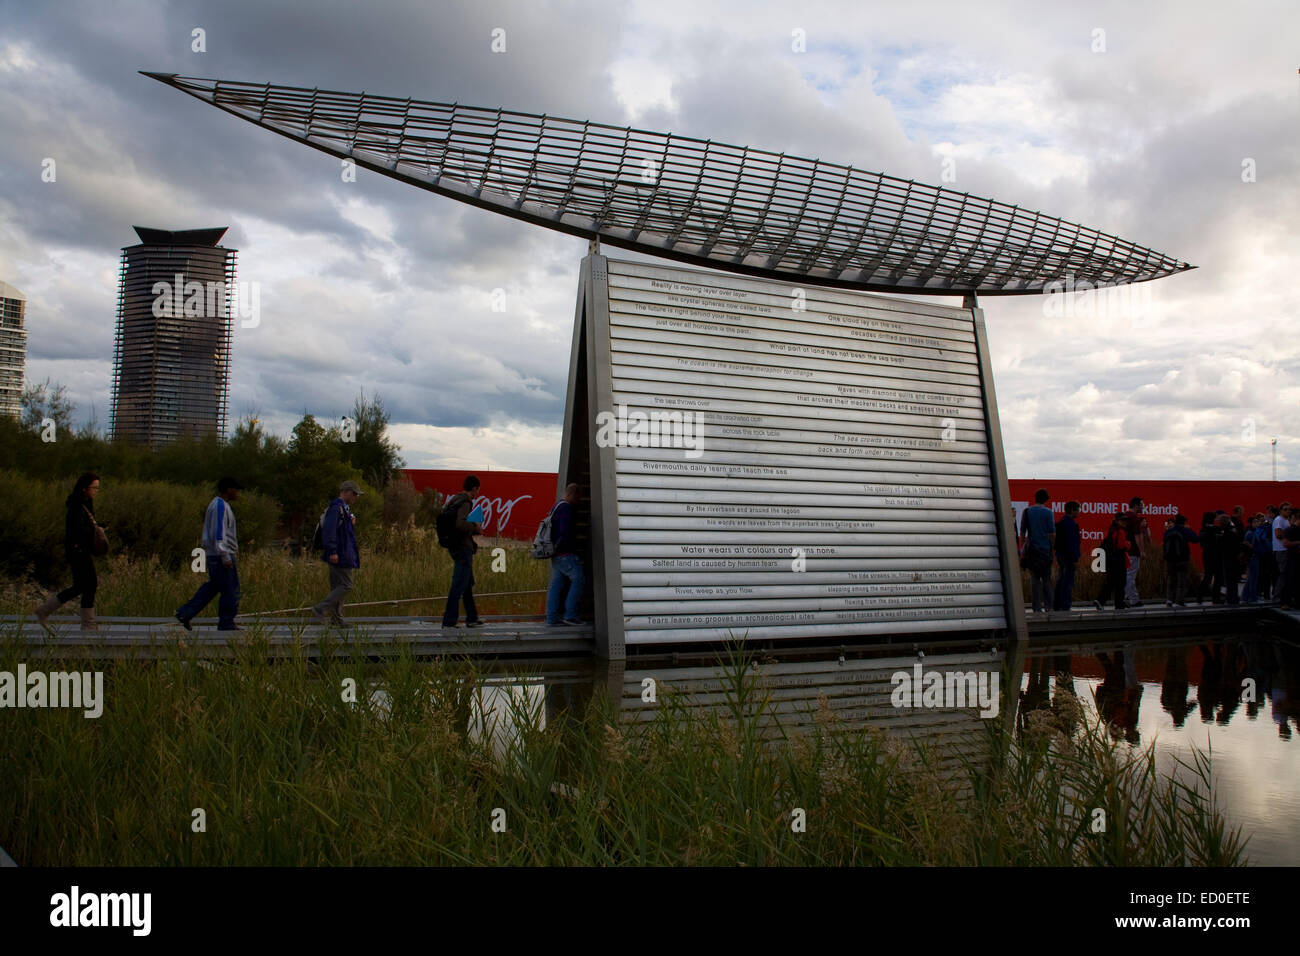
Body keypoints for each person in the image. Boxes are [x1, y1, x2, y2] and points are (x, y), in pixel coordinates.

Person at [34, 472, 104, 632]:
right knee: (88, 585)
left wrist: (99, 527)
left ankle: (45, 611)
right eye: (94, 487)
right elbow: (76, 530)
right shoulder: (76, 507)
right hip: (77, 550)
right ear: (84, 489)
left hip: (81, 550)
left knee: (84, 586)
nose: (96, 491)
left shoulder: (86, 504)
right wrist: (94, 531)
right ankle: (88, 625)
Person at [176, 477, 244, 631]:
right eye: (236, 490)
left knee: (213, 587)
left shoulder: (218, 505)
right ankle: (226, 622)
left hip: (214, 555)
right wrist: (225, 555)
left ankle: (185, 613)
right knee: (231, 590)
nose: (238, 493)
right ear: (228, 490)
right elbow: (218, 533)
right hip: (221, 555)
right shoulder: (220, 506)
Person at [312, 480, 363, 627]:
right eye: (354, 494)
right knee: (347, 585)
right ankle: (320, 608)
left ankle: (337, 619)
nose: (356, 497)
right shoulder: (336, 508)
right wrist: (332, 551)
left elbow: (342, 531)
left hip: (342, 553)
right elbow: (329, 531)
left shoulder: (343, 509)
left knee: (337, 587)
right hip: (340, 554)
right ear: (346, 492)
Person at [441, 475, 484, 629]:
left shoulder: (454, 499)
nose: (478, 492)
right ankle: (449, 621)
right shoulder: (465, 502)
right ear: (474, 488)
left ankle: (472, 618)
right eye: (478, 489)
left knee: (466, 584)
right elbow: (460, 524)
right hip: (462, 548)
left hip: (454, 546)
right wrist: (475, 528)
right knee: (458, 585)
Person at [545, 483, 585, 627]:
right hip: (564, 554)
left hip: (555, 554)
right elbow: (564, 532)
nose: (578, 501)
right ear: (572, 494)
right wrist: (573, 551)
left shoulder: (556, 507)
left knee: (557, 585)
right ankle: (570, 615)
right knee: (579, 579)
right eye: (577, 497)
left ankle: (551, 618)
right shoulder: (566, 508)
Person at [1018, 488, 1055, 613]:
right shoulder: (1048, 512)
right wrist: (1052, 548)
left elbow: (1022, 532)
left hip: (1032, 551)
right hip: (1045, 550)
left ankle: (1036, 607)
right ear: (1046, 499)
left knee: (1034, 580)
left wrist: (1022, 548)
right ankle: (1049, 606)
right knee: (1046, 579)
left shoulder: (1027, 511)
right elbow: (1052, 533)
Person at [1095, 512, 1130, 611]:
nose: (1124, 522)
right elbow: (1120, 547)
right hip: (1118, 561)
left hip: (1109, 560)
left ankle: (1100, 600)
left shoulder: (1111, 530)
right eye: (1122, 520)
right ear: (1117, 521)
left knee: (1110, 583)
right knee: (1120, 583)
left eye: (1125, 520)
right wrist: (1128, 545)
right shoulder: (1121, 531)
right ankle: (1119, 604)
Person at [1163, 513, 1198, 607]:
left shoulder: (1168, 531)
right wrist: (1188, 528)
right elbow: (1195, 539)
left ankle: (1169, 600)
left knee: (1171, 580)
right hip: (1182, 559)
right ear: (1184, 522)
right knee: (1181, 580)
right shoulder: (1184, 530)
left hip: (1170, 560)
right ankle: (1179, 600)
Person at [1052, 500, 1081, 611]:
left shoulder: (1061, 522)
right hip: (1069, 556)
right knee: (1068, 581)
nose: (1079, 512)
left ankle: (1057, 604)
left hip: (1061, 555)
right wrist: (1075, 558)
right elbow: (1072, 542)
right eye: (1078, 510)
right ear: (1072, 510)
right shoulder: (1071, 524)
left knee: (1061, 579)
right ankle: (1065, 605)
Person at [1122, 496, 1150, 608]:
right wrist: (1142, 551)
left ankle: (1134, 599)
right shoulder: (1134, 518)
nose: (1143, 507)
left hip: (1124, 551)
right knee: (1130, 576)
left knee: (1129, 575)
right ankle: (1123, 598)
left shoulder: (1124, 516)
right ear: (1136, 505)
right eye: (1142, 505)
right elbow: (1138, 536)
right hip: (1133, 551)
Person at [1216, 513, 1243, 605]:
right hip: (1233, 557)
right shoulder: (1233, 531)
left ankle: (1231, 599)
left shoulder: (1226, 532)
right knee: (1233, 580)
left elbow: (1224, 546)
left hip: (1228, 558)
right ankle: (1233, 598)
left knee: (1229, 579)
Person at [1195, 511, 1221, 604]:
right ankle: (1216, 598)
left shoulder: (1203, 530)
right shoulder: (1215, 529)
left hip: (1206, 555)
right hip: (1215, 555)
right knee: (1217, 577)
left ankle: (1200, 596)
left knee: (1208, 576)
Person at [1273, 502, 1292, 603]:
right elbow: (1278, 534)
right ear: (1280, 510)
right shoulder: (1279, 520)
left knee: (1285, 575)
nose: (1288, 511)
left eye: (1289, 509)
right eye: (1285, 509)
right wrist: (1290, 537)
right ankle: (1277, 597)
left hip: (1284, 550)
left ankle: (1281, 596)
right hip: (1281, 550)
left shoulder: (1286, 520)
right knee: (1283, 575)